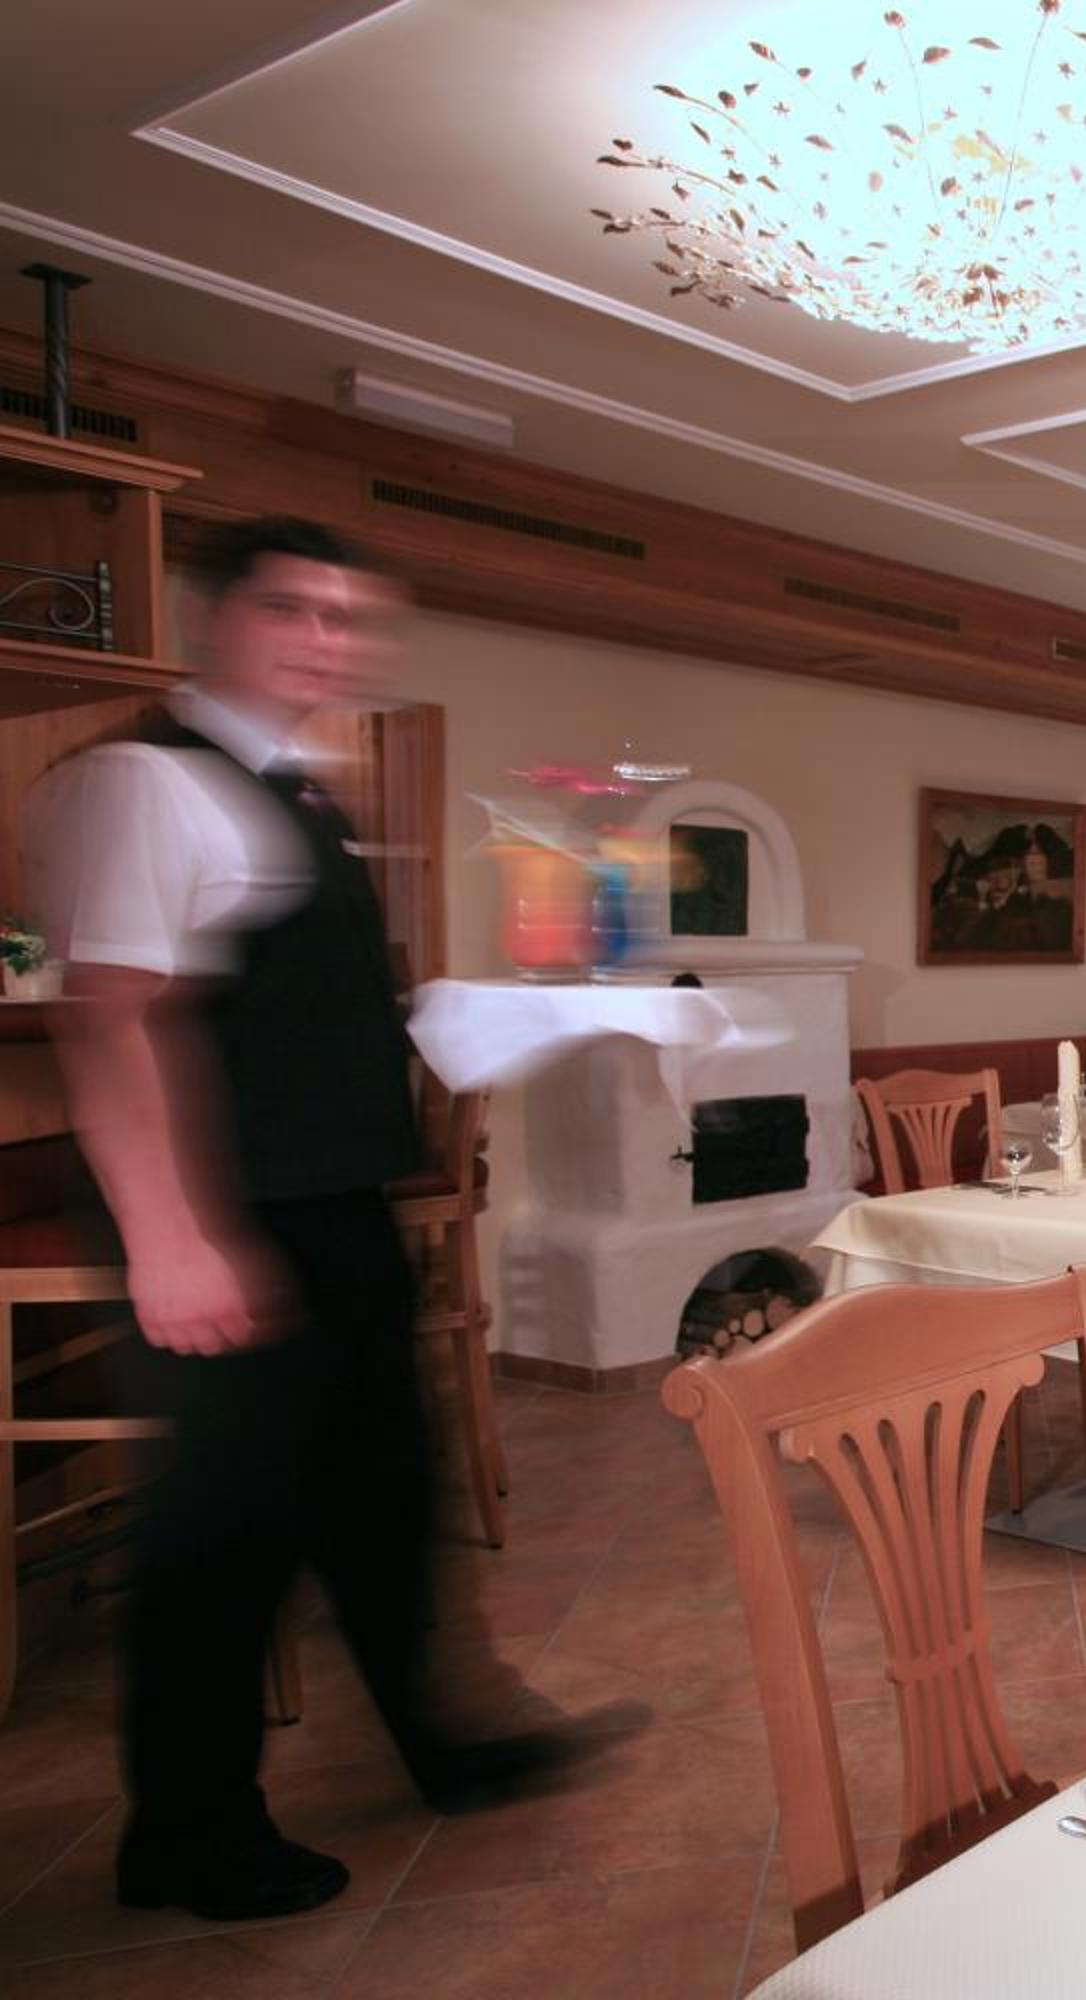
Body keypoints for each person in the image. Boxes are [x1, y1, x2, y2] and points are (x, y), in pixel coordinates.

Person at [29, 517, 624, 1923]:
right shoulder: (144, 781)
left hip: (333, 1209)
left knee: (381, 1484)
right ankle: (186, 1832)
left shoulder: (298, 788)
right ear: (214, 619)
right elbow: (113, 1020)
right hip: (228, 1217)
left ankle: (442, 1742)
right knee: (226, 1527)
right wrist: (173, 1239)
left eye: (349, 619)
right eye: (293, 610)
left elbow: (293, 1002)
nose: (326, 642)